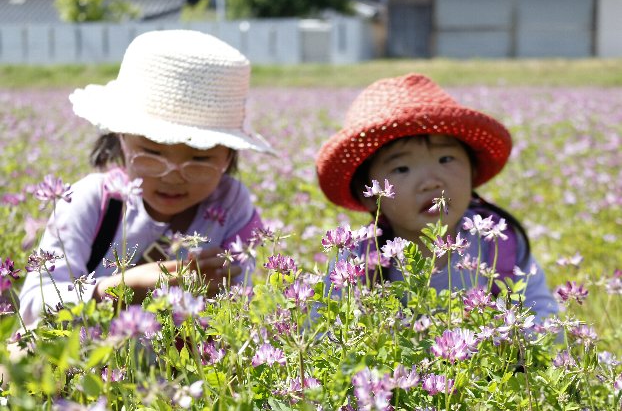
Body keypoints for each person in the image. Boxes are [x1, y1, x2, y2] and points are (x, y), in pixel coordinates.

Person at [19, 30, 273, 327]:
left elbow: (242, 301)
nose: (173, 177)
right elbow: (34, 304)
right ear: (121, 140)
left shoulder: (231, 203)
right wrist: (122, 288)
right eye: (152, 154)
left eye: (199, 159)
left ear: (229, 156)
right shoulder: (89, 201)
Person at [315, 73, 558, 319]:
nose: (431, 182)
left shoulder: (498, 243)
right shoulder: (357, 259)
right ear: (367, 194)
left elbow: (543, 315)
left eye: (446, 159)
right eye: (402, 169)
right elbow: (320, 327)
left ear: (472, 172)